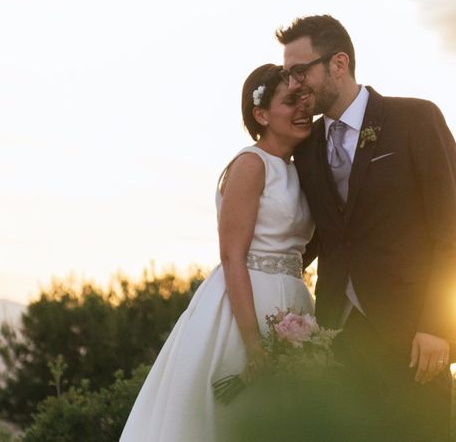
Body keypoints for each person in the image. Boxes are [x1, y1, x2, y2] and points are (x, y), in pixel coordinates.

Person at [279, 15, 456, 441]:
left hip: (415, 337)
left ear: (339, 63)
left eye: (300, 71)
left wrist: (438, 323)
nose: (292, 85)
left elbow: (452, 228)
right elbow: (311, 236)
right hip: (336, 338)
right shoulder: (306, 148)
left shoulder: (416, 120)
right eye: (286, 75)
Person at [121, 64, 316, 441]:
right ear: (262, 114)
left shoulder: (298, 170)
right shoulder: (250, 165)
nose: (303, 108)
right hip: (245, 305)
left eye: (304, 99)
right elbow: (232, 256)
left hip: (293, 302)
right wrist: (253, 346)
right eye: (290, 101)